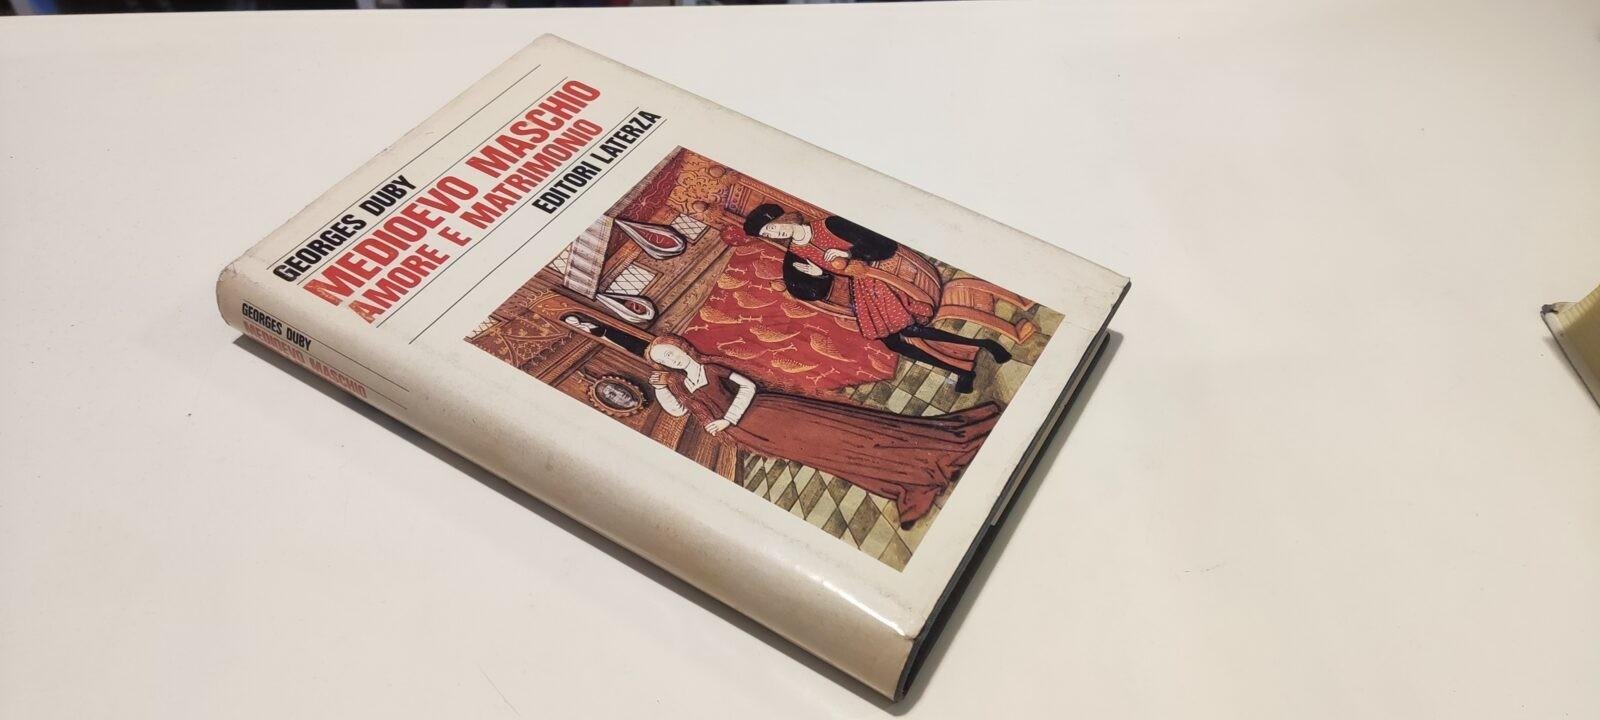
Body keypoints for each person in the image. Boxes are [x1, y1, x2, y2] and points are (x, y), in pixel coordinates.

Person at [646, 334, 1000, 527]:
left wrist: (728, 419)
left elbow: (749, 387)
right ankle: (906, 480)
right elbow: (678, 412)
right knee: (833, 458)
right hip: (757, 435)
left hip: (773, 414)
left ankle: (937, 449)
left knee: (851, 435)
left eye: (671, 353)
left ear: (681, 347)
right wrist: (661, 388)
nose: (671, 360)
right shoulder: (681, 386)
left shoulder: (712, 367)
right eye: (664, 360)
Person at [744, 203, 1012, 393]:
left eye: (774, 227)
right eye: (768, 234)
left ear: (786, 218)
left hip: (885, 276)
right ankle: (968, 363)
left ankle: (977, 353)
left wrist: (850, 255)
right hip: (862, 294)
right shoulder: (795, 255)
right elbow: (801, 289)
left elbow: (879, 242)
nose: (776, 234)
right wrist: (820, 275)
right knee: (896, 343)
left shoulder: (830, 225)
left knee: (909, 331)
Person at [561, 312, 649, 356]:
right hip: (605, 342)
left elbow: (598, 331)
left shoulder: (586, 324)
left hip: (610, 335)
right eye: (572, 324)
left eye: (574, 322)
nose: (575, 324)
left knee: (627, 344)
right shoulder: (579, 331)